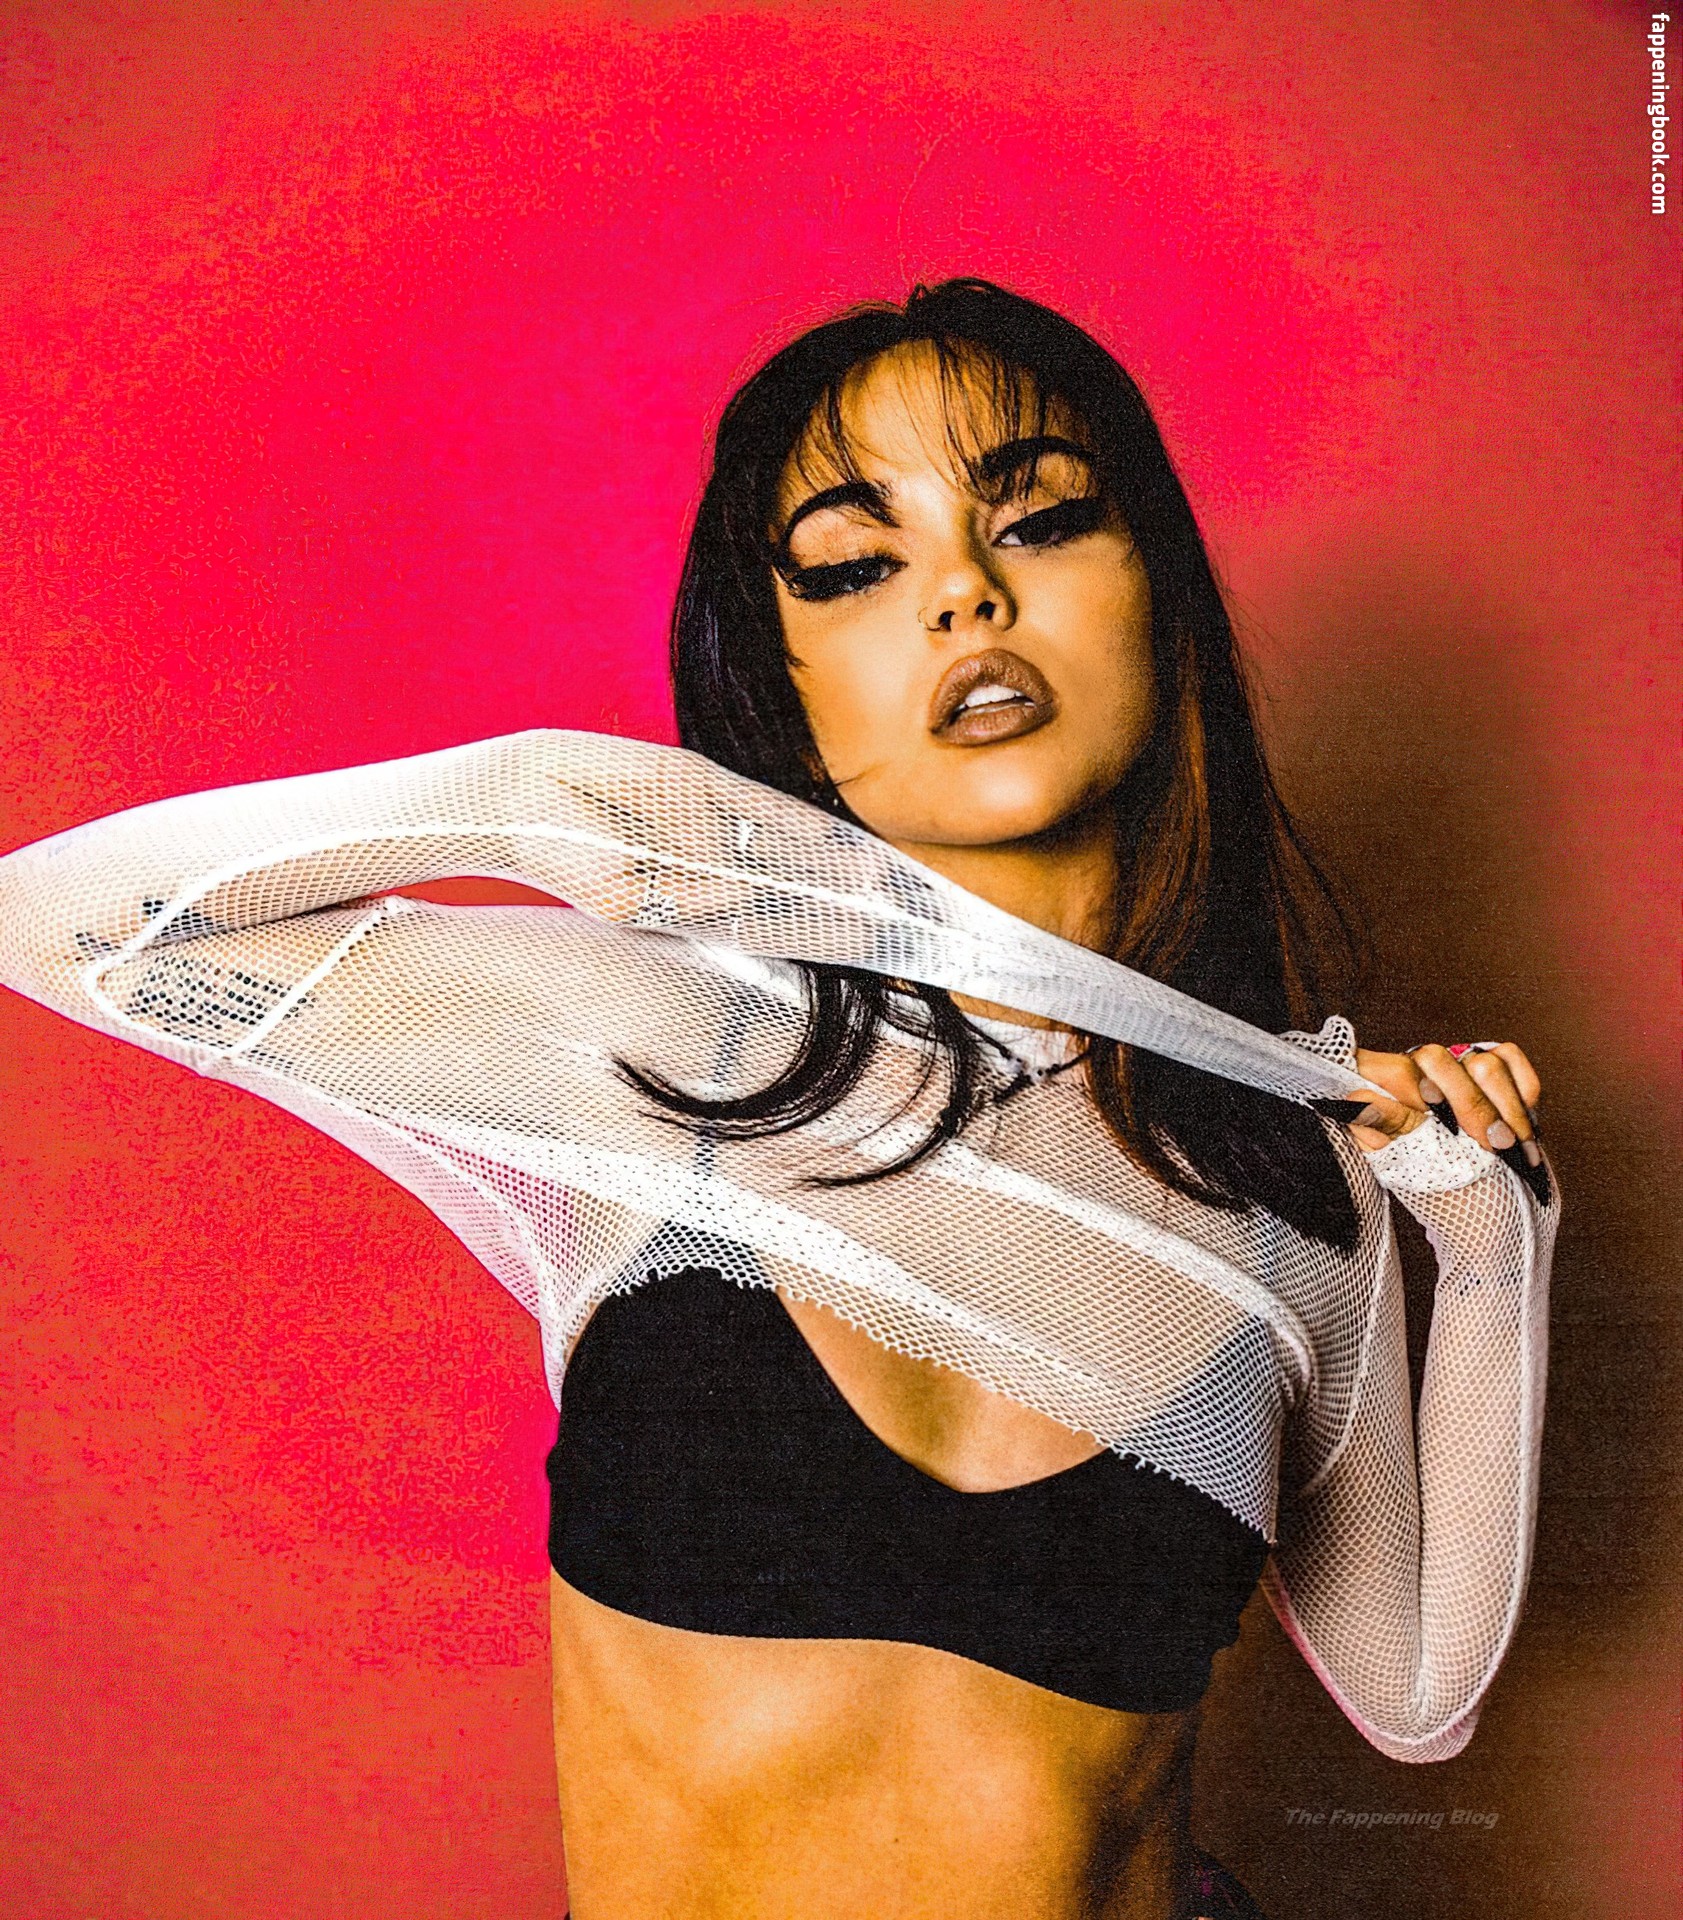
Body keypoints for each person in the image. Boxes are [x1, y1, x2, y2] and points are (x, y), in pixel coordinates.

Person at [0, 280, 1557, 1920]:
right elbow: (53, 923)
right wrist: (533, 799)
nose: (963, 592)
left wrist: (1493, 1237)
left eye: (1038, 522)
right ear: (785, 691)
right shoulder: (660, 1063)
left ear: (1157, 600)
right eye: (856, 564)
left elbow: (1416, 1693)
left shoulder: (1285, 1179)